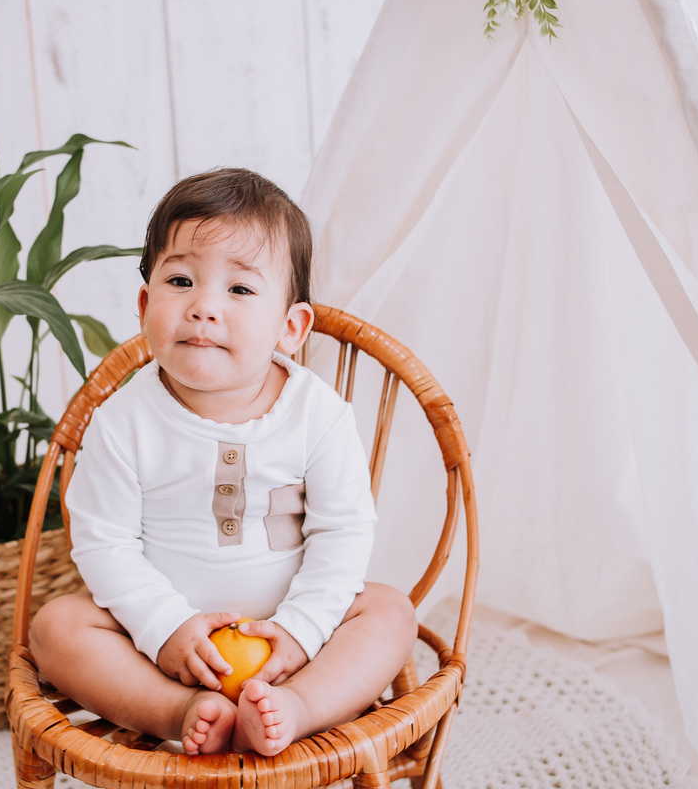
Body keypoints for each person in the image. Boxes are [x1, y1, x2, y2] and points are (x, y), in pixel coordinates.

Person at [29, 167, 416, 756]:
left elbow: (343, 531)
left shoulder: (318, 414)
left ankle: (298, 705)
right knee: (55, 628)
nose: (204, 306)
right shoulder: (123, 420)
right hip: (161, 647)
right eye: (180, 280)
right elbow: (104, 542)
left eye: (240, 290)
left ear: (290, 327)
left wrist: (302, 629)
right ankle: (181, 710)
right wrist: (163, 628)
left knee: (389, 612)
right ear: (145, 305)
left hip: (290, 635)